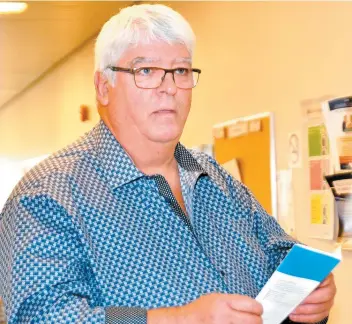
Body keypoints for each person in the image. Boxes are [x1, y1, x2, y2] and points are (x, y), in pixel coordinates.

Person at [0, 4, 336, 324]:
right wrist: (178, 319)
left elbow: (282, 254)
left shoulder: (217, 179)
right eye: (146, 71)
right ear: (104, 87)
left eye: (181, 70)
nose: (170, 88)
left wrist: (311, 299)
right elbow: (43, 315)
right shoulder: (47, 196)